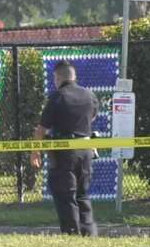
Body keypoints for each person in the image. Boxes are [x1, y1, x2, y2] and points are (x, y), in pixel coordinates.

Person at [31, 61, 99, 237]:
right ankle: (89, 232)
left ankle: (71, 233)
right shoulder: (89, 95)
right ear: (74, 76)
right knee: (83, 193)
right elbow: (92, 117)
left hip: (64, 152)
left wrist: (35, 152)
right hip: (85, 149)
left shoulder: (57, 97)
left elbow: (41, 129)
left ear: (57, 77)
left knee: (65, 194)